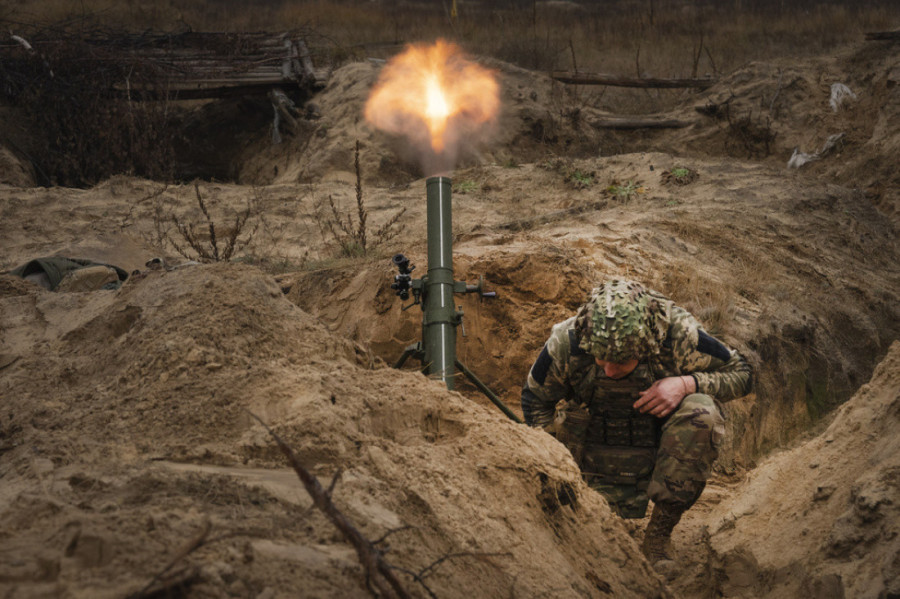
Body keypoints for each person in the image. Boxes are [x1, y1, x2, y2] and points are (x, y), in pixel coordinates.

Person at [521, 279, 752, 572]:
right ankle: (572, 521)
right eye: (601, 360)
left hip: (658, 450)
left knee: (701, 413)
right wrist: (553, 465)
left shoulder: (679, 336)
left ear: (647, 347)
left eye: (621, 362)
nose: (609, 370)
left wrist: (687, 383)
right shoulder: (568, 340)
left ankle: (657, 538)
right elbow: (534, 400)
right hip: (586, 453)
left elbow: (742, 373)